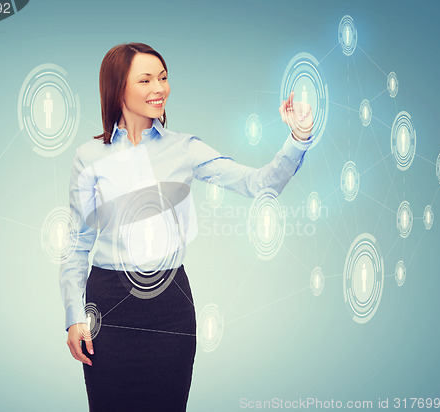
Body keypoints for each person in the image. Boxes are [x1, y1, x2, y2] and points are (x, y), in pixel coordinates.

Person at [59, 42, 314, 412]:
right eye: (145, 80)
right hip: (108, 304)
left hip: (169, 304)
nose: (158, 88)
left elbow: (260, 184)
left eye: (162, 78)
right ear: (117, 87)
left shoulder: (185, 149)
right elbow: (77, 245)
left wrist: (299, 138)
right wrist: (72, 317)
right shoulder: (89, 156)